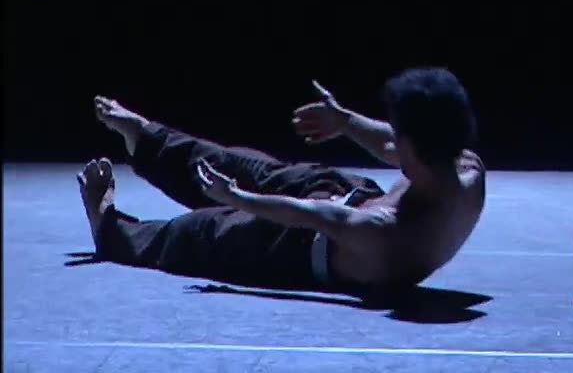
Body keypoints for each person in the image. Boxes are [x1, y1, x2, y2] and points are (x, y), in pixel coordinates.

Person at [79, 67, 485, 292]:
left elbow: (309, 216)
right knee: (253, 167)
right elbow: (393, 143)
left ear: (417, 150)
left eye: (400, 138)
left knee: (203, 232)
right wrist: (345, 121)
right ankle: (149, 140)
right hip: (354, 197)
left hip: (302, 246)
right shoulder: (465, 167)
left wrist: (237, 198)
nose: (391, 143)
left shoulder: (390, 233)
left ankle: (109, 230)